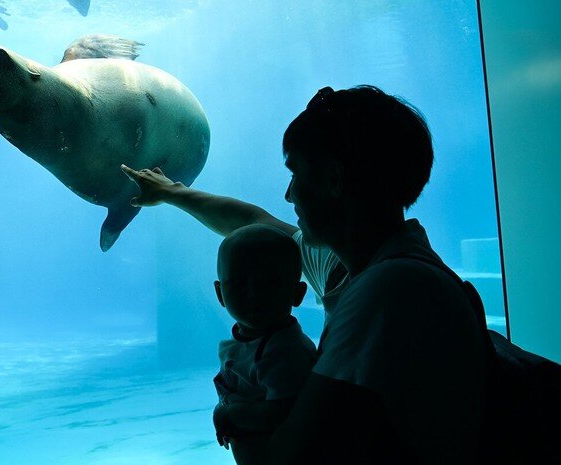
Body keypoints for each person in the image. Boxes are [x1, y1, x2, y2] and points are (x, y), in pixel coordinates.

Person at [121, 85, 487, 464]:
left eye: (295, 173)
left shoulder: (384, 293)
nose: (288, 194)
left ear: (333, 179)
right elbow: (253, 223)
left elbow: (296, 453)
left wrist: (235, 413)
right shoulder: (351, 265)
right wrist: (172, 193)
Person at [211, 224, 316, 465]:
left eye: (270, 283)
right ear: (220, 293)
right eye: (238, 283)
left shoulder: (284, 351)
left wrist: (227, 414)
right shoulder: (246, 340)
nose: (253, 293)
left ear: (297, 294)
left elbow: (285, 412)